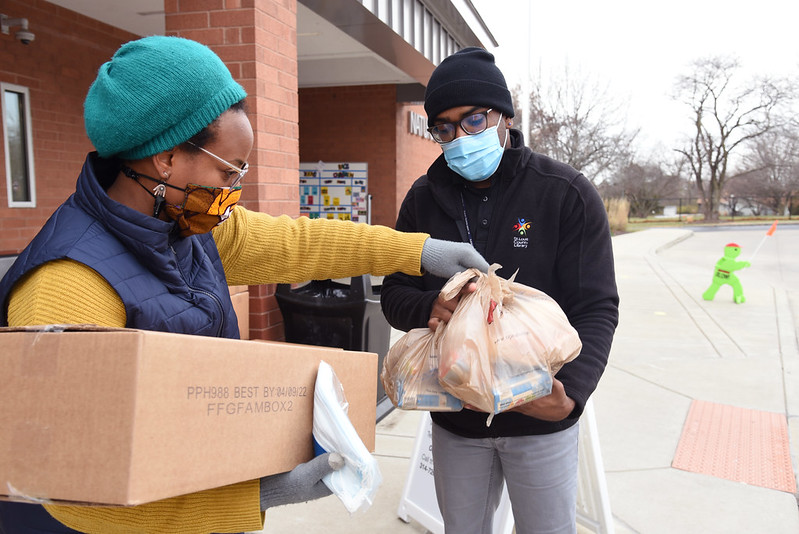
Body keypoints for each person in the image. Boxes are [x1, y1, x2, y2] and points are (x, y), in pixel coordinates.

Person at [0, 36, 489, 534]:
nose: (233, 192)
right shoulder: (68, 284)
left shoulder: (187, 226)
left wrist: (420, 251)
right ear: (166, 159)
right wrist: (262, 494)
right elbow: (77, 492)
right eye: (228, 170)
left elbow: (301, 242)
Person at [379, 47, 619, 534]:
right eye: (443, 128)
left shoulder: (563, 192)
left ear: (503, 117)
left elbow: (596, 306)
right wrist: (432, 304)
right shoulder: (423, 200)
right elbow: (393, 293)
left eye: (473, 120)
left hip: (539, 419)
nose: (459, 137)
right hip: (456, 421)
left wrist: (570, 396)